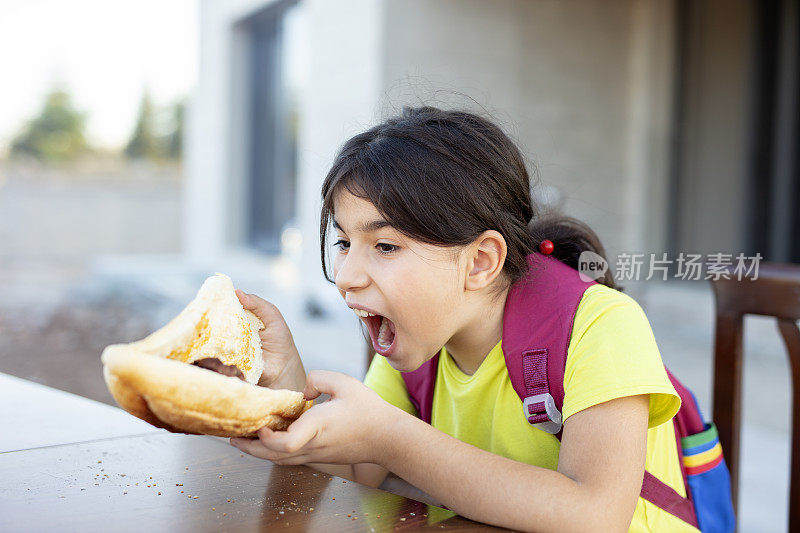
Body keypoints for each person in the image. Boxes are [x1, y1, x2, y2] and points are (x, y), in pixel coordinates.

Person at [230, 106, 691, 532]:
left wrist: (390, 438)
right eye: (343, 243)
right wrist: (287, 393)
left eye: (385, 246)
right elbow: (358, 464)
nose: (347, 277)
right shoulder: (418, 344)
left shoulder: (601, 324)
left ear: (480, 262)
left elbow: (595, 515)